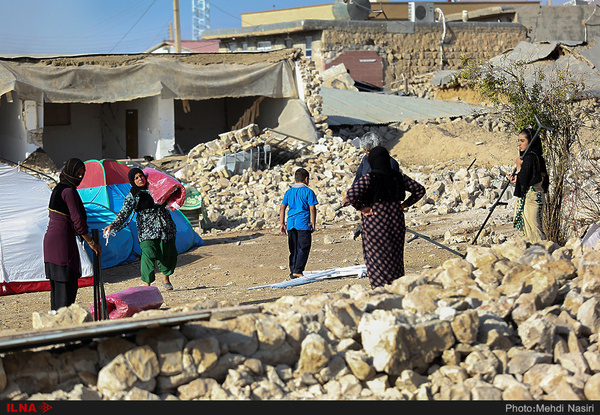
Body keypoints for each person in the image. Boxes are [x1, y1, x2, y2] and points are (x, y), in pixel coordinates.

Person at [345, 146, 425, 289]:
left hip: (375, 221)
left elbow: (351, 195)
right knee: (395, 257)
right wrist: (405, 204)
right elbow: (419, 190)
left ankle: (380, 290)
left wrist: (362, 208)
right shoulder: (398, 176)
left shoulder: (369, 178)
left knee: (376, 258)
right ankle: (396, 287)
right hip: (396, 220)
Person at [103, 168, 177, 290]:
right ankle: (146, 286)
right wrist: (113, 224)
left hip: (165, 227)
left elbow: (171, 195)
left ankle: (165, 279)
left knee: (168, 253)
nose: (140, 179)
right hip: (146, 231)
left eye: (141, 176)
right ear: (133, 181)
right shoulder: (133, 195)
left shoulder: (156, 187)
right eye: (136, 178)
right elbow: (124, 212)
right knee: (148, 254)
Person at [44, 158, 102, 311]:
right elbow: (77, 221)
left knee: (58, 290)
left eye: (82, 174)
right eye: (78, 173)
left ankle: (56, 324)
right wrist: (91, 243)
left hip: (51, 241)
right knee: (66, 288)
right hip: (62, 242)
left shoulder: (58, 189)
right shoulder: (68, 191)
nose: (80, 177)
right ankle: (64, 328)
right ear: (70, 171)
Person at [509, 128, 549, 243]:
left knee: (534, 229)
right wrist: (516, 178)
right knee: (530, 229)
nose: (519, 144)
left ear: (530, 142)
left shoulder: (530, 157)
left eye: (522, 141)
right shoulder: (537, 157)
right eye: (518, 141)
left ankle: (543, 253)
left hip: (532, 199)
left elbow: (524, 178)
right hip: (534, 196)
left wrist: (518, 168)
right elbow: (531, 178)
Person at [280, 168, 318, 279]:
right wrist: (313, 223)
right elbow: (312, 208)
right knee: (303, 247)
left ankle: (293, 270)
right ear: (306, 179)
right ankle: (298, 270)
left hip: (291, 223)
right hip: (303, 223)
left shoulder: (289, 192)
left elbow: (282, 208)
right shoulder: (308, 192)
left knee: (293, 248)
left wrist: (282, 223)